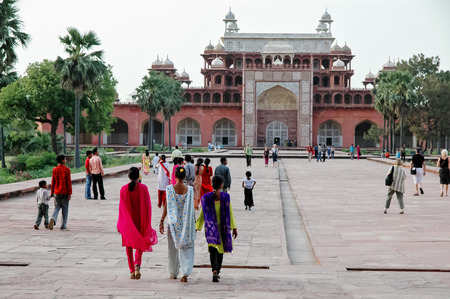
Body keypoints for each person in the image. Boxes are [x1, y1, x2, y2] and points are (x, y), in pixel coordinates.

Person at [117, 167, 158, 280]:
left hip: (128, 222)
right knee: (140, 243)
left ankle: (131, 270)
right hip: (140, 220)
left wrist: (120, 224)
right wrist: (147, 222)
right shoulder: (143, 188)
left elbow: (122, 209)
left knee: (128, 246)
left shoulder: (124, 189)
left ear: (129, 176)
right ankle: (137, 264)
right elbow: (148, 207)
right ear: (138, 176)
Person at [196, 175, 238, 283]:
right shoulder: (225, 197)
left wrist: (197, 227)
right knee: (221, 250)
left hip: (211, 228)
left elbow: (202, 214)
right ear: (222, 185)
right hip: (222, 228)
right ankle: (217, 270)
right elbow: (230, 213)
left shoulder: (206, 198)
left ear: (212, 184)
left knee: (212, 250)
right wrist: (234, 227)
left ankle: (214, 270)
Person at [159, 167, 196, 282]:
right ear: (185, 177)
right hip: (186, 224)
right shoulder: (189, 190)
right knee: (187, 248)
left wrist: (161, 221)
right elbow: (192, 209)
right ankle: (185, 273)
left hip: (173, 225)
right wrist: (194, 223)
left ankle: (173, 272)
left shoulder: (169, 189)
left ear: (174, 176)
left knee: (172, 249)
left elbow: (166, 206)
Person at [49, 155, 72, 231]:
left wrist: (52, 192)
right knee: (65, 209)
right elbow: (68, 182)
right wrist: (69, 193)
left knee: (57, 207)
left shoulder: (54, 169)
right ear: (62, 160)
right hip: (64, 192)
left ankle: (53, 218)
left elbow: (53, 182)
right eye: (65, 159)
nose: (65, 160)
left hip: (56, 192)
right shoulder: (67, 169)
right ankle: (63, 226)